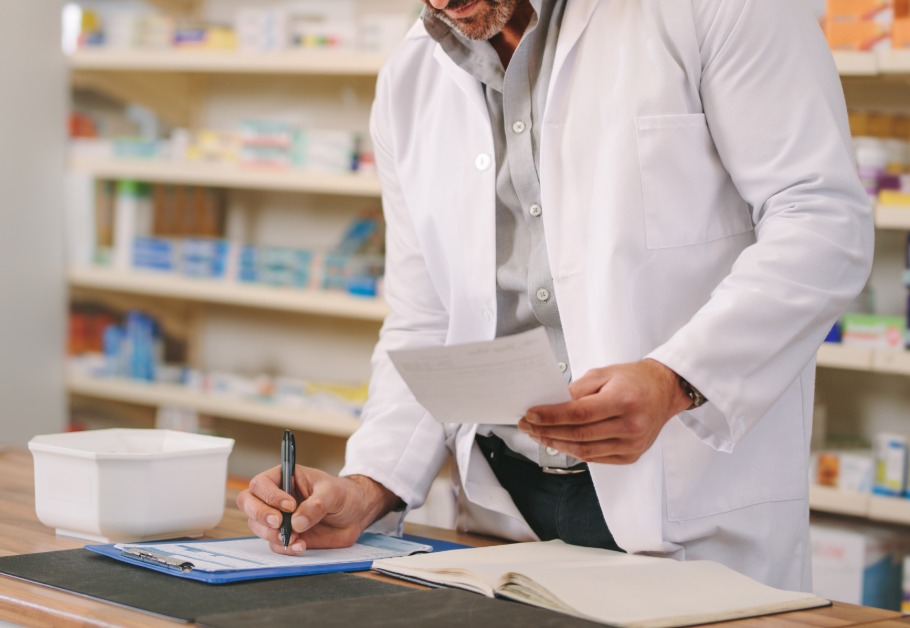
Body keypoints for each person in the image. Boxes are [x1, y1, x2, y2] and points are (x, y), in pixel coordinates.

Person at [238, 0, 873, 589]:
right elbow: (426, 318)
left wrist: (675, 377)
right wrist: (369, 486)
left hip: (682, 498)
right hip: (501, 514)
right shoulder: (411, 77)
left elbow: (823, 222)